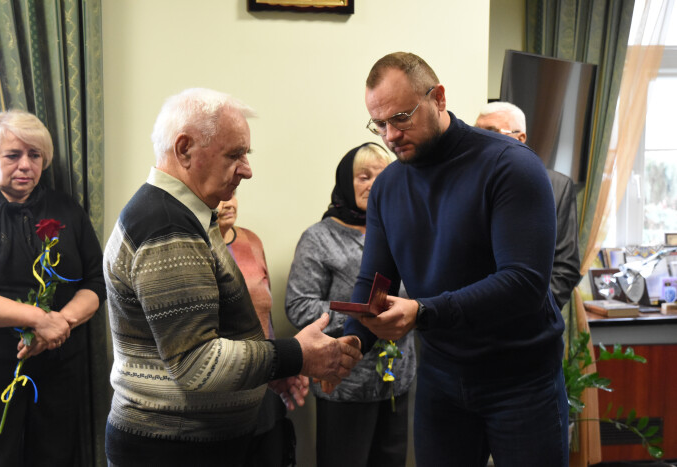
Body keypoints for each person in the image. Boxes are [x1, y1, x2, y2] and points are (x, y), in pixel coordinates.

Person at [103, 87, 362, 467]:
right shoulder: (168, 226)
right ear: (185, 148)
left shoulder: (186, 213)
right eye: (234, 154)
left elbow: (212, 334)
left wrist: (268, 371)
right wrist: (295, 356)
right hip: (173, 449)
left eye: (246, 154)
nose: (247, 169)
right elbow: (197, 364)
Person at [343, 52, 569, 466]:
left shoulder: (510, 166)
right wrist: (351, 340)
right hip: (442, 380)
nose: (389, 135)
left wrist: (423, 312)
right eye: (379, 124)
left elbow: (523, 283)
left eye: (401, 118)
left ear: (439, 98)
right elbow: (375, 281)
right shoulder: (388, 187)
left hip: (521, 381)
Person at [0, 110, 106, 466]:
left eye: (35, 156)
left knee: (55, 457)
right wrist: (36, 319)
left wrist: (58, 324)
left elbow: (96, 280)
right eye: (12, 155)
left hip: (59, 365)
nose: (25, 166)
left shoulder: (66, 208)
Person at [285, 142, 416, 467]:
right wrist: (363, 317)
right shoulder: (319, 237)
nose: (373, 183)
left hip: (396, 378)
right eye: (363, 176)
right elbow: (300, 306)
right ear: (346, 181)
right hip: (343, 378)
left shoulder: (407, 231)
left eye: (382, 175)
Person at [475, 101, 582, 309]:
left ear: (520, 138)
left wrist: (534, 315)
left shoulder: (557, 187)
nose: (480, 141)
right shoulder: (467, 184)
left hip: (533, 324)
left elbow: (565, 267)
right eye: (477, 133)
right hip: (472, 318)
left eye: (491, 132)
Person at [217, 192, 296, 466]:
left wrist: (278, 368)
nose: (227, 203)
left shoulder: (251, 240)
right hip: (221, 391)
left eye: (233, 194)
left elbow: (267, 316)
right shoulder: (193, 248)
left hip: (264, 380)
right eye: (220, 196)